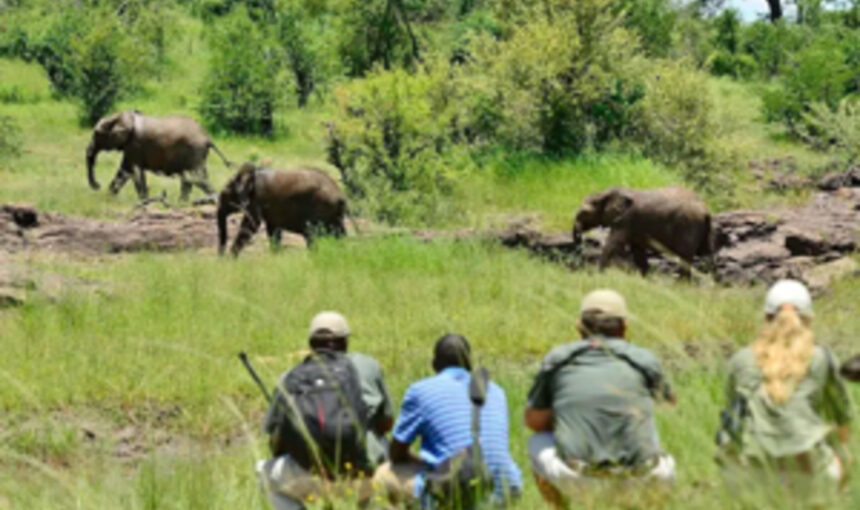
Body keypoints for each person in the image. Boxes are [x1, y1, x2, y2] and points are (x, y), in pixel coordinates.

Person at [525, 289, 676, 506]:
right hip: (642, 479)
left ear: (579, 326)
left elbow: (534, 421)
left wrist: (565, 417)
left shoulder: (558, 359)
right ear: (624, 327)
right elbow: (669, 405)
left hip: (582, 480)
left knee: (537, 441)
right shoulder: (644, 359)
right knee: (664, 457)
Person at [717, 280, 854, 495]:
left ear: (766, 318)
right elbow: (842, 421)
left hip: (756, 471)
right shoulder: (821, 358)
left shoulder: (741, 360)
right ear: (808, 319)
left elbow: (732, 419)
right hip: (809, 468)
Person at [257, 311, 395, 510]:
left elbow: (276, 441)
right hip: (365, 474)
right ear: (345, 342)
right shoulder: (367, 366)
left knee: (264, 474)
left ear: (311, 344)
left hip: (311, 473)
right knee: (382, 444)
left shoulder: (291, 376)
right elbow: (387, 422)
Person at [373, 333, 523, 507]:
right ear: (469, 363)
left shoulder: (420, 391)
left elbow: (397, 454)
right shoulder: (496, 390)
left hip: (458, 489)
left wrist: (422, 461)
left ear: (434, 364)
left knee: (384, 474)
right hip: (506, 488)